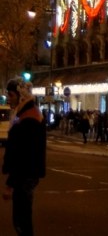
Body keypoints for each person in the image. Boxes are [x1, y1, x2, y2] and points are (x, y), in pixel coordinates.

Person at [3, 79, 46, 236]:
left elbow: (22, 154)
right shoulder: (25, 113)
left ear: (21, 96)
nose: (8, 98)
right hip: (26, 173)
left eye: (11, 94)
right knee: (22, 218)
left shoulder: (28, 118)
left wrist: (10, 183)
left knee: (21, 219)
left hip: (25, 175)